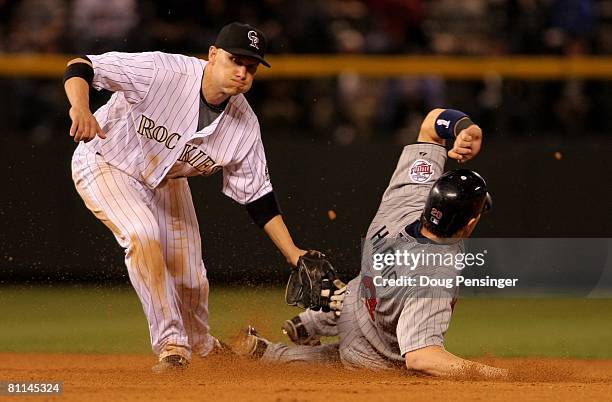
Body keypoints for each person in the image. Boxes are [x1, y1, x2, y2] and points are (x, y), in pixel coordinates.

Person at [64, 22, 311, 373]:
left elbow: (258, 197)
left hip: (165, 181)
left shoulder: (244, 126)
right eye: (235, 61)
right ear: (212, 55)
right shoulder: (162, 71)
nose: (242, 72)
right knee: (142, 233)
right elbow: (81, 65)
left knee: (191, 276)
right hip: (106, 160)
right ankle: (171, 346)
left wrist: (293, 253)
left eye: (250, 67)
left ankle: (202, 345)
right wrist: (81, 107)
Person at [234, 108, 508, 378]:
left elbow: (429, 126)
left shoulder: (410, 197)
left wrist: (462, 128)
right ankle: (289, 344)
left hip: (353, 302)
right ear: (470, 223)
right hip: (373, 348)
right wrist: (494, 375)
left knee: (365, 307)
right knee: (380, 367)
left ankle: (302, 327)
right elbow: (421, 357)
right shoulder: (434, 276)